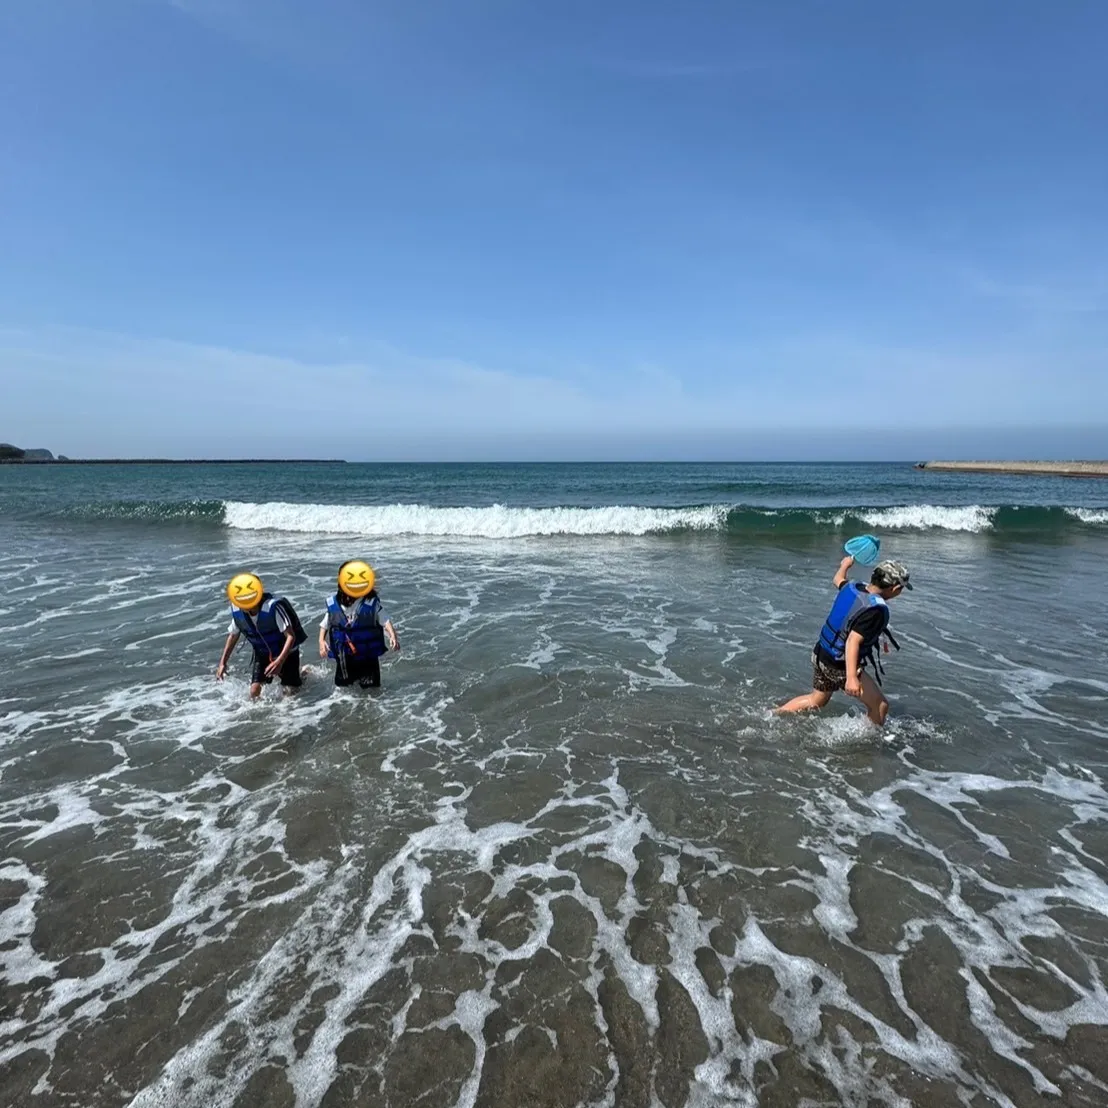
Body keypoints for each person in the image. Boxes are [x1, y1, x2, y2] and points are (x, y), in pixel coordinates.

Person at [775, 556, 912, 726]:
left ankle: (774, 714)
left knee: (817, 700)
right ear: (896, 588)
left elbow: (837, 579)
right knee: (880, 706)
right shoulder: (875, 611)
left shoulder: (853, 587)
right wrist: (852, 677)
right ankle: (867, 745)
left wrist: (845, 565)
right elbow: (852, 641)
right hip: (838, 664)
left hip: (821, 653)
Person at [216, 573, 307, 698]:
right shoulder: (238, 611)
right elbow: (233, 635)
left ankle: (304, 675)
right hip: (262, 653)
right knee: (254, 692)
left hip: (287, 652)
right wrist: (222, 663)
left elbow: (291, 636)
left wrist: (279, 662)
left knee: (291, 692)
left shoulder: (273, 608)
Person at [319, 560, 399, 688]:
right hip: (344, 656)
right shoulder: (334, 604)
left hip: (367, 656)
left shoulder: (370, 602)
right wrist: (321, 641)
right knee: (343, 691)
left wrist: (393, 636)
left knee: (371, 691)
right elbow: (325, 624)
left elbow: (385, 620)